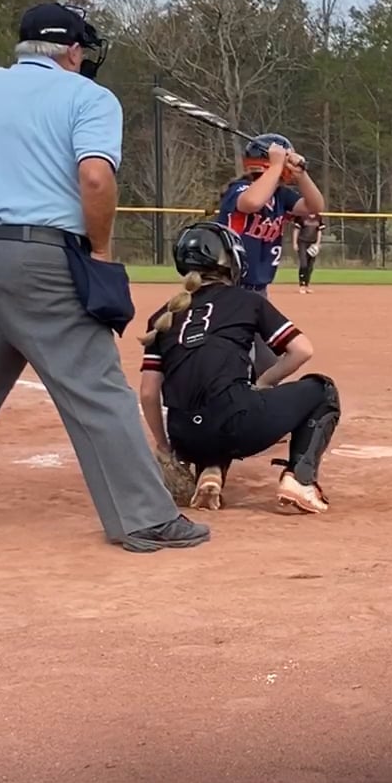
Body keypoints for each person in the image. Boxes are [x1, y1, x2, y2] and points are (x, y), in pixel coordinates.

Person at [0, 3, 210, 552]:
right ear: (73, 51)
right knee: (95, 387)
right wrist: (100, 250)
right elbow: (95, 178)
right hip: (46, 258)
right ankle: (144, 518)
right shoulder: (88, 97)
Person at [138, 221, 339, 515]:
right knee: (322, 391)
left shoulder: (163, 316)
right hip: (237, 427)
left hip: (184, 439)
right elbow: (302, 350)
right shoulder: (247, 301)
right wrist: (265, 383)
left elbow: (147, 394)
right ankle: (301, 479)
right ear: (229, 259)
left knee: (217, 400)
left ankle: (210, 470)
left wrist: (166, 448)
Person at [217, 133, 326, 371]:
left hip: (258, 291)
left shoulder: (281, 197)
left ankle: (261, 387)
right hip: (229, 288)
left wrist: (302, 175)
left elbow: (316, 207)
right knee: (240, 358)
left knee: (269, 362)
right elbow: (252, 203)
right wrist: (277, 166)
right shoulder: (240, 189)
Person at [294, 211, 325, 294]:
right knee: (303, 264)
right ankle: (302, 285)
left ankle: (307, 285)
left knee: (310, 266)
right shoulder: (302, 216)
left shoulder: (318, 217)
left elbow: (319, 231)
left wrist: (318, 243)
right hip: (302, 242)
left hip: (312, 243)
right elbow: (296, 230)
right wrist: (295, 243)